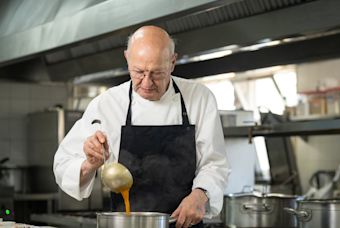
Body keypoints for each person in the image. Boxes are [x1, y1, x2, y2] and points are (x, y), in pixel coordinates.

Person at [53, 25, 230, 228]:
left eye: (157, 73)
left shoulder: (199, 98)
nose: (146, 83)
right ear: (127, 58)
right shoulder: (107, 104)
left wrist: (200, 195)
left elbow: (215, 163)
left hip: (184, 223)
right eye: (138, 72)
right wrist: (89, 164)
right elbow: (63, 165)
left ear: (173, 62)